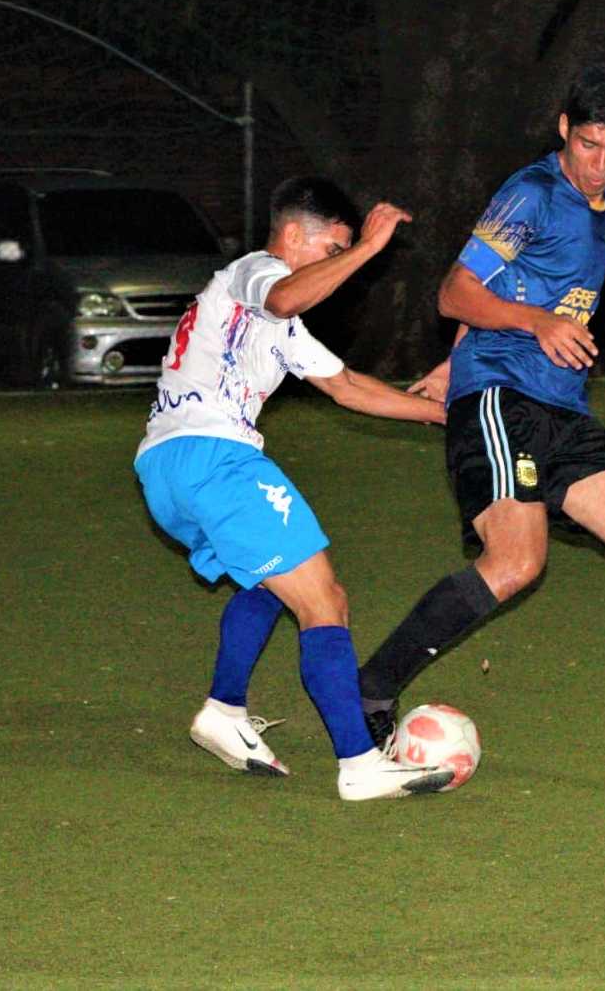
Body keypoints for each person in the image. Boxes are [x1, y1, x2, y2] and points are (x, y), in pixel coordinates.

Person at [357, 64, 605, 792]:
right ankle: (370, 689)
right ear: (563, 129)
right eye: (588, 143)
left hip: (560, 407)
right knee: (517, 563)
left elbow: (504, 288)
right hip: (502, 400)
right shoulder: (529, 193)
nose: (599, 162)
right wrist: (520, 334)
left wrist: (452, 358)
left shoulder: (601, 205)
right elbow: (455, 290)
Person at [135, 176, 455, 801]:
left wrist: (442, 413)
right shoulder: (257, 272)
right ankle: (360, 764)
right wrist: (367, 247)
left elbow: (348, 387)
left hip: (165, 470)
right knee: (324, 599)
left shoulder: (277, 324)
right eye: (331, 250)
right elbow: (281, 298)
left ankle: (223, 712)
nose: (340, 265)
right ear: (290, 237)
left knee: (269, 581)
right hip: (215, 458)